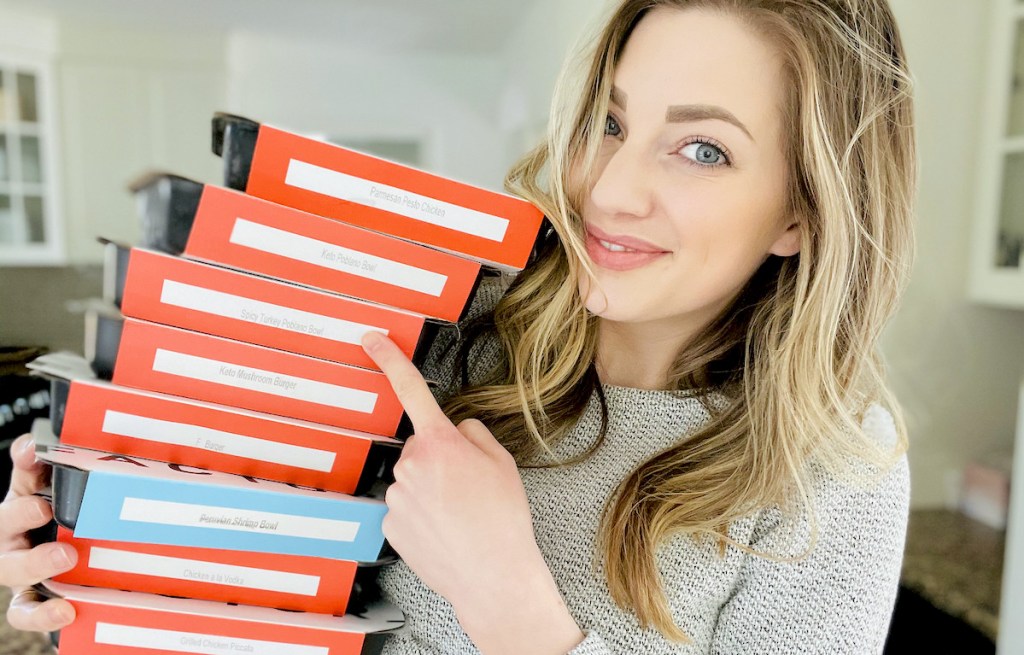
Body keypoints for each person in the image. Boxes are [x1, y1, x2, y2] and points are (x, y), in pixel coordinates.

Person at [2, 0, 915, 652]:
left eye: (702, 148)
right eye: (610, 122)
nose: (607, 188)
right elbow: (245, 557)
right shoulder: (454, 324)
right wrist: (90, 550)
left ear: (802, 211)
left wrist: (506, 597)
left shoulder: (833, 469)